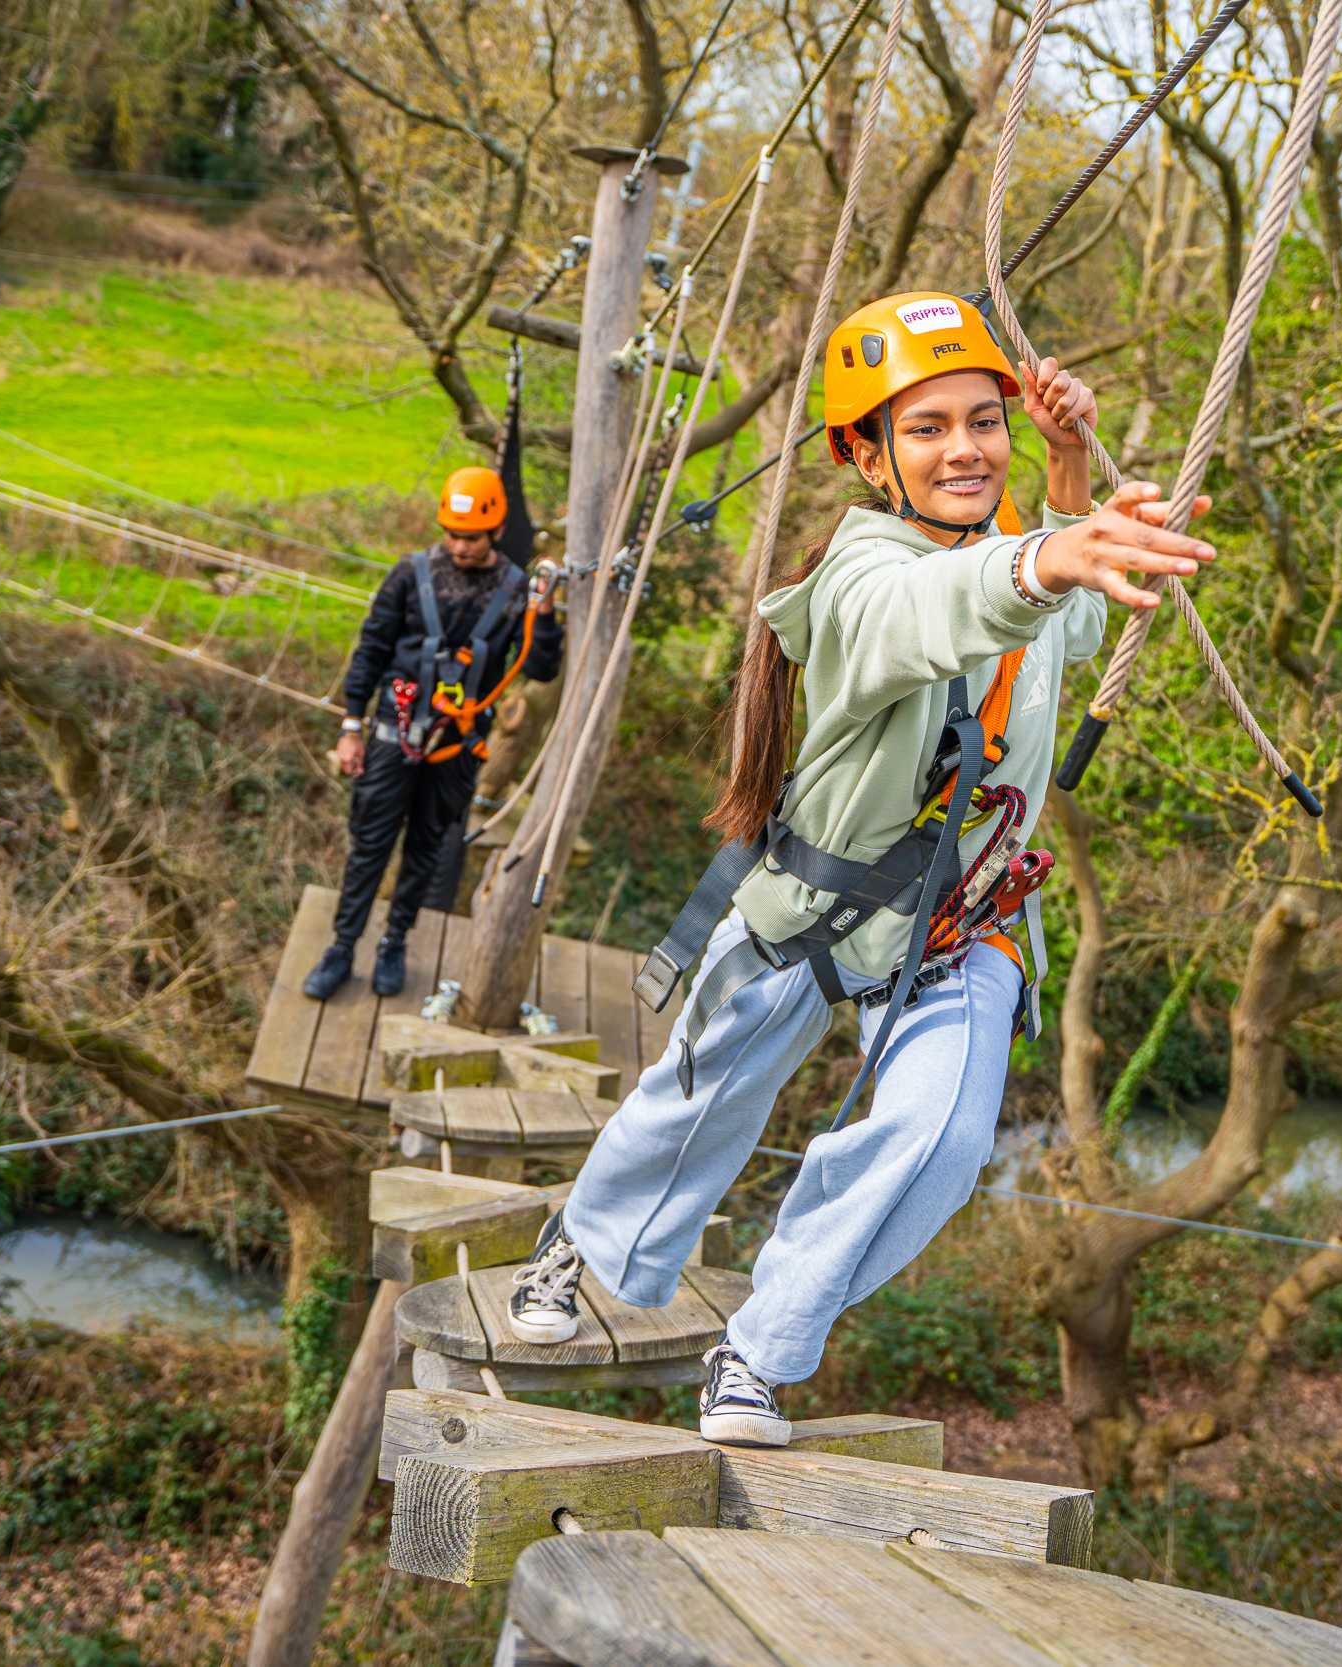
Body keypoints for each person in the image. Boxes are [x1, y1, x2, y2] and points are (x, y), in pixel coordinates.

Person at [499, 291, 1218, 1445]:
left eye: (983, 421)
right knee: (694, 1100)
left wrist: (1070, 474)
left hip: (962, 921)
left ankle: (759, 1347)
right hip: (816, 903)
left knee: (940, 1138)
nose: (965, 448)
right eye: (926, 427)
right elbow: (938, 611)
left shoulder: (1004, 551)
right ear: (867, 454)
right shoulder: (862, 569)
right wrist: (1047, 554)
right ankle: (584, 1246)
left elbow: (1063, 629)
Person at [307, 466, 565, 1001]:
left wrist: (544, 609)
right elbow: (372, 648)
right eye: (452, 534)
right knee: (370, 845)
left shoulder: (518, 591)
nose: (460, 547)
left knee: (426, 847)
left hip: (457, 746)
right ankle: (341, 946)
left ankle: (394, 942)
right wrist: (351, 726)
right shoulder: (411, 574)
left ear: (494, 532)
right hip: (391, 735)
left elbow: (539, 668)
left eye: (470, 537)